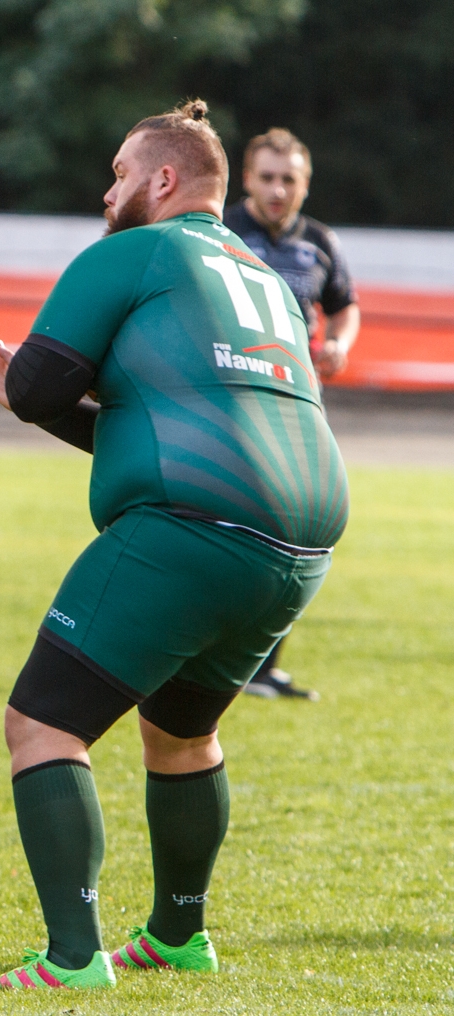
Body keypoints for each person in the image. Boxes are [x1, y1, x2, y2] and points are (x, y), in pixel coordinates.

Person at [0, 101, 345, 990]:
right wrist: (31, 394)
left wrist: (21, 384)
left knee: (42, 723)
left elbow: (43, 378)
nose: (107, 192)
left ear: (164, 180)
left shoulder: (135, 250)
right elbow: (179, 423)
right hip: (299, 540)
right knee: (181, 733)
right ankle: (178, 934)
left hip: (194, 528)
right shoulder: (266, 278)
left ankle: (73, 956)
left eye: (121, 173)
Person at [222, 127, 358, 702]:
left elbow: (345, 307)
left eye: (290, 179)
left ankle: (262, 665)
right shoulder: (220, 232)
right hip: (231, 400)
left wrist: (340, 344)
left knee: (297, 527)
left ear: (305, 185)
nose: (278, 190)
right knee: (232, 524)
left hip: (297, 403)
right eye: (268, 177)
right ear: (247, 179)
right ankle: (215, 662)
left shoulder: (320, 241)